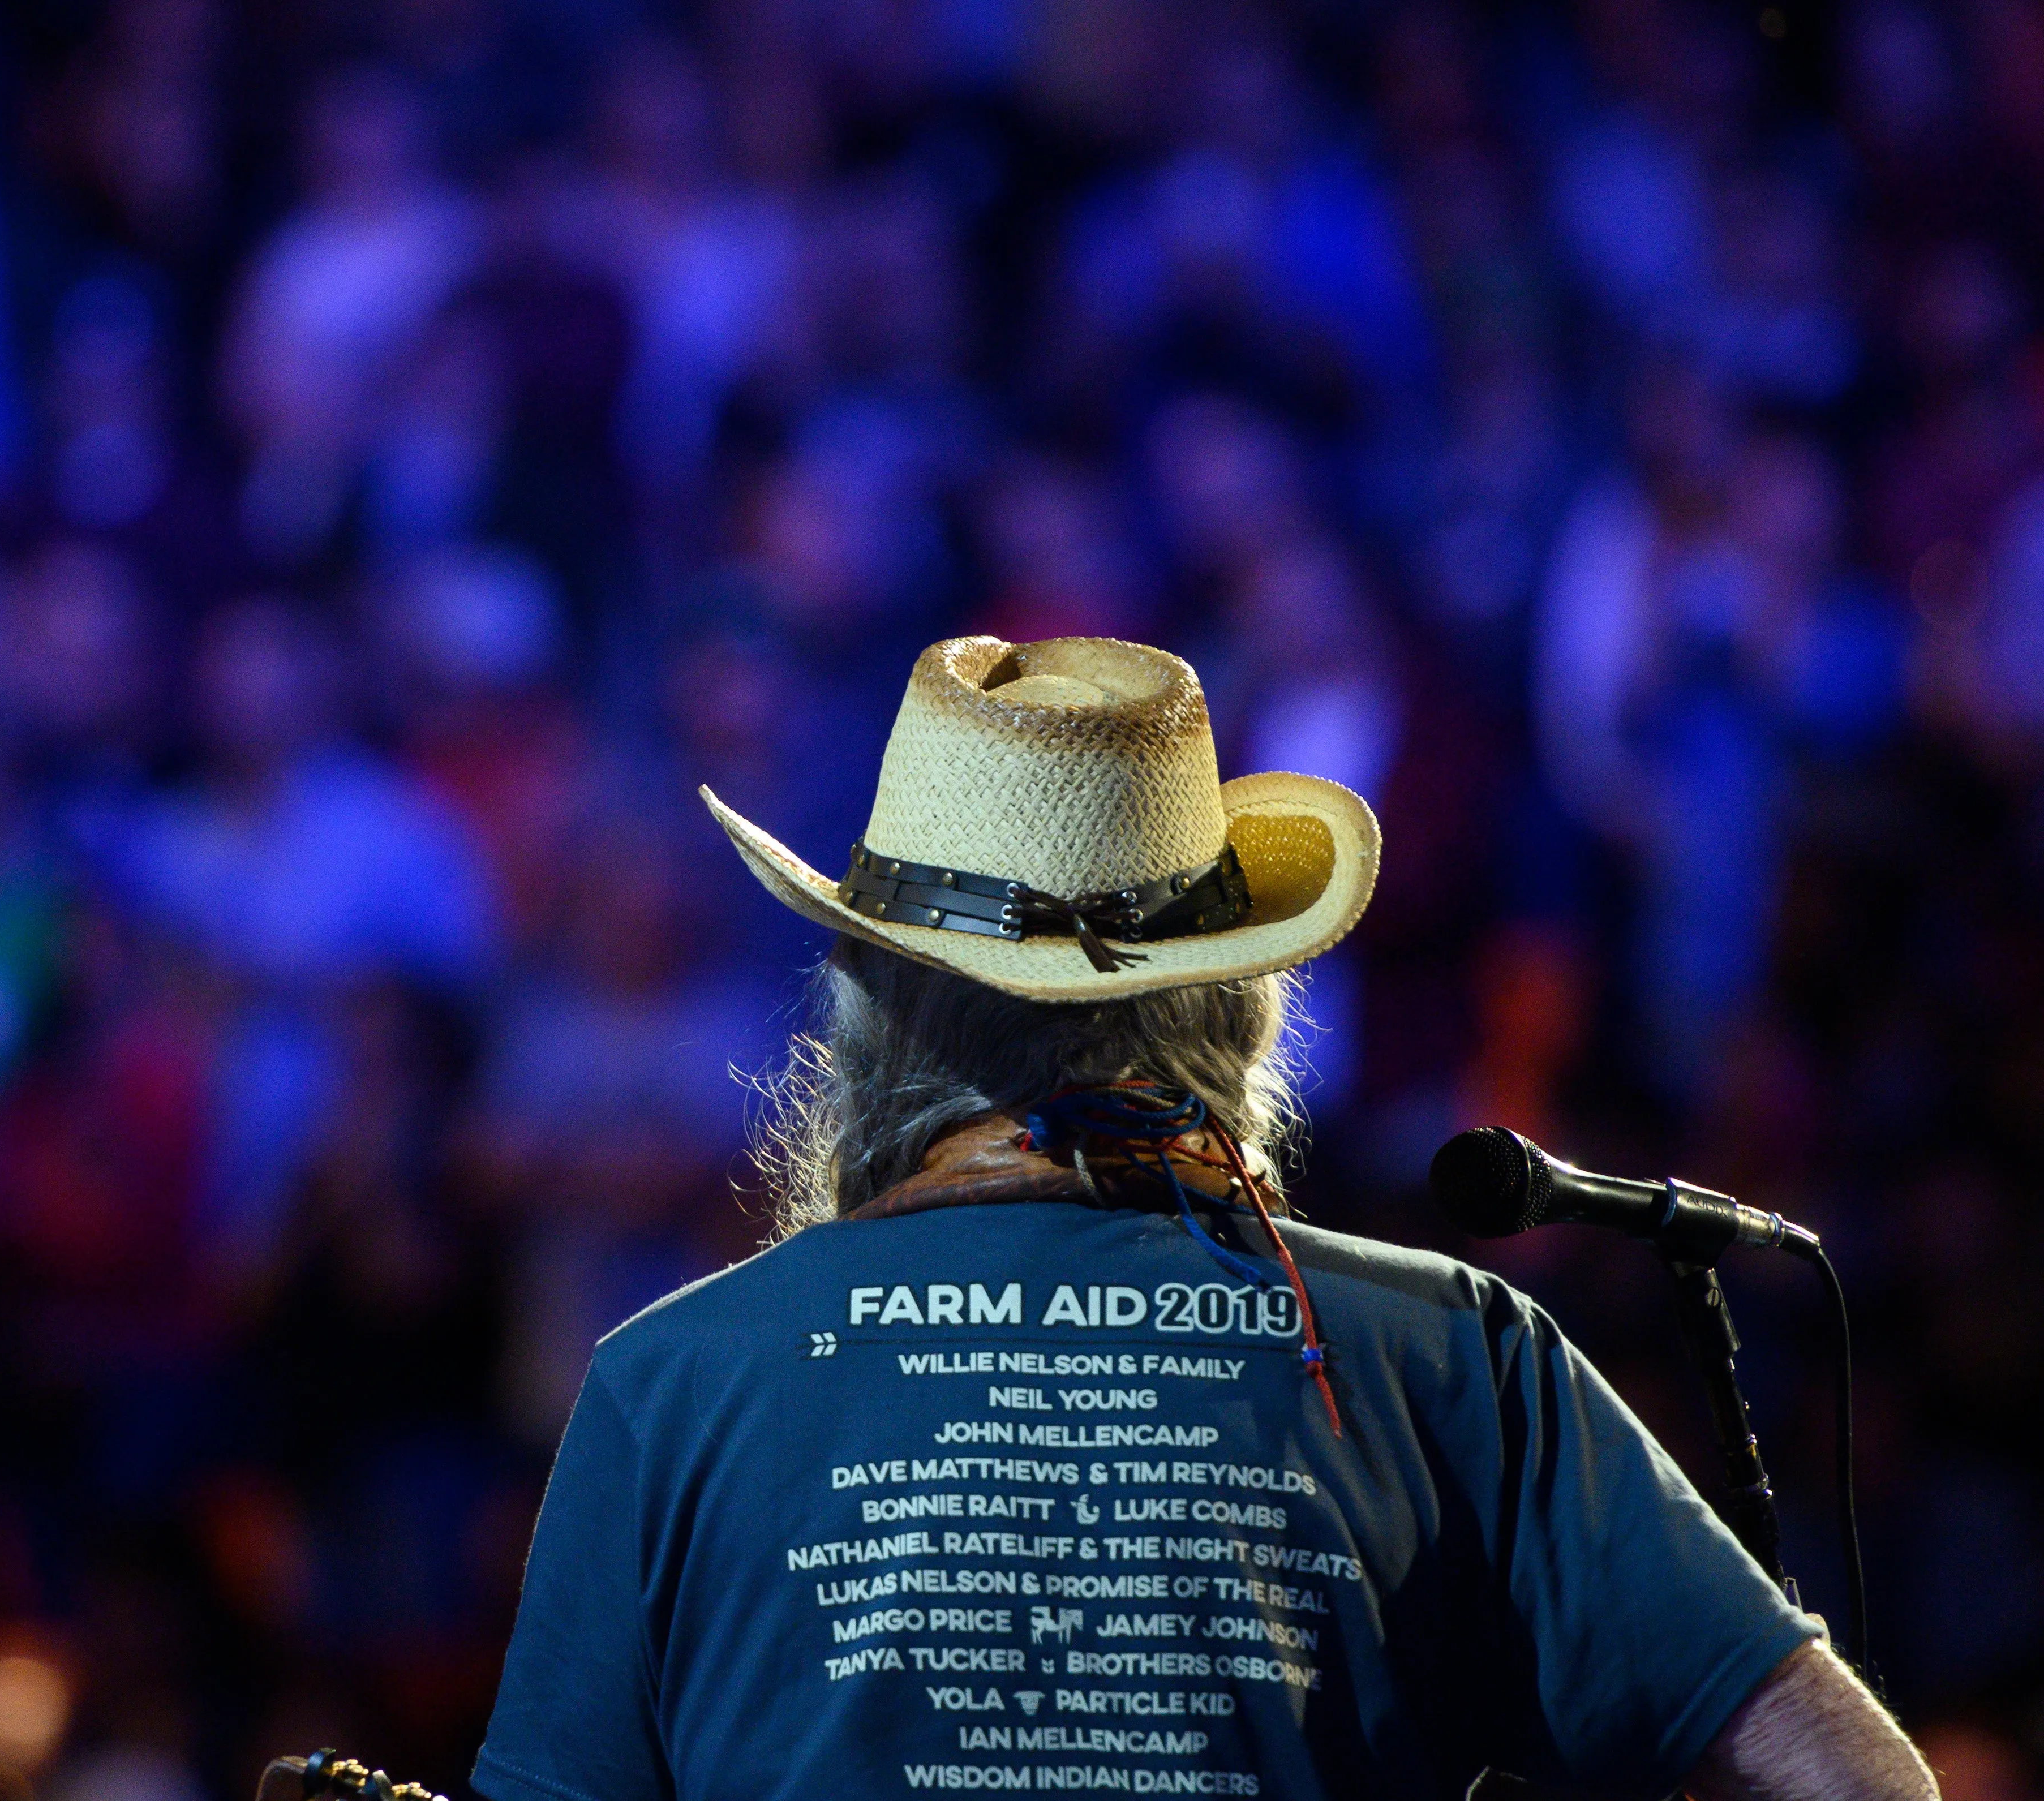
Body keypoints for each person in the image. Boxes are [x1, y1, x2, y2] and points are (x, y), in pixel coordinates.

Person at [471, 637, 1935, 1801]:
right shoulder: (1452, 1353)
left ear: (867, 1013)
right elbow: (1858, 1777)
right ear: (1240, 1005)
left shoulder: (672, 1384)